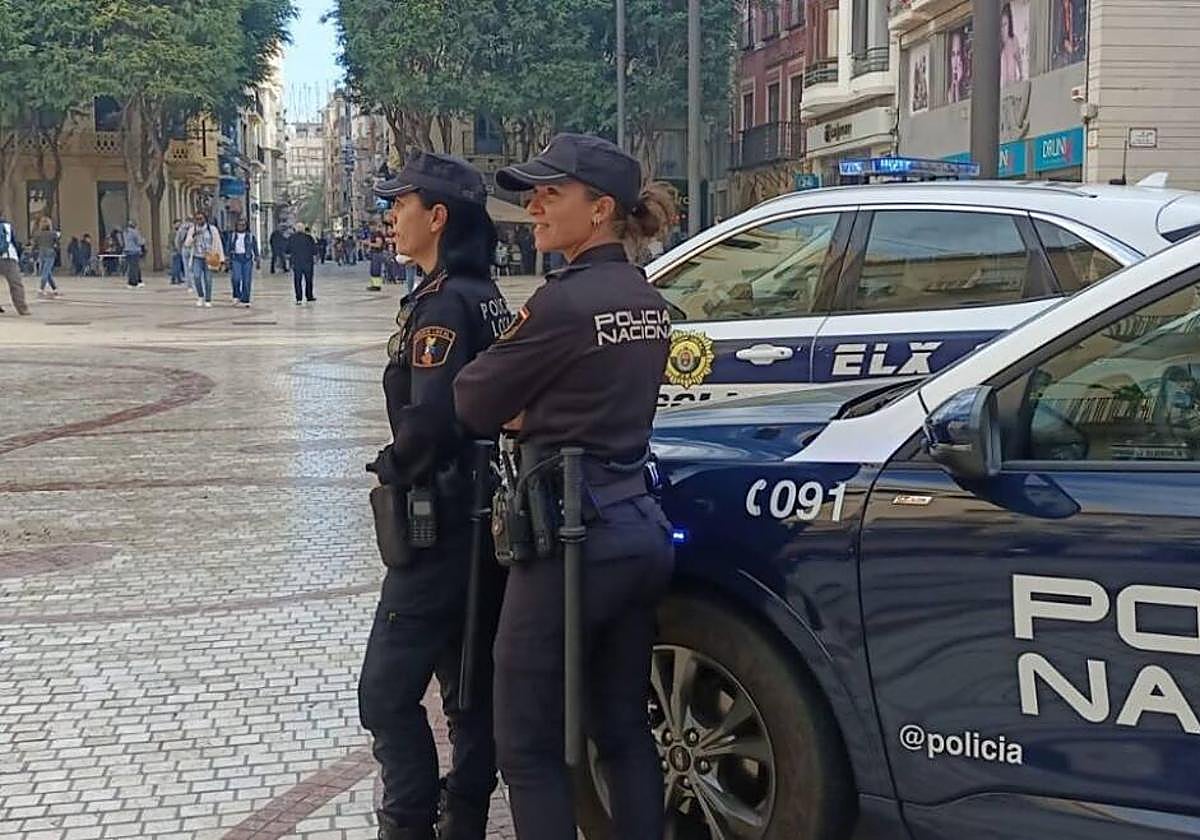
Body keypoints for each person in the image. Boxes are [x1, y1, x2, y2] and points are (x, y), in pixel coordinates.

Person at [452, 133, 677, 840]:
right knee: (621, 729)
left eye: (553, 192)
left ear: (601, 207)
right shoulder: (646, 299)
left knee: (526, 741)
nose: (535, 205)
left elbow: (471, 401)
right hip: (638, 527)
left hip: (571, 539)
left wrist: (532, 410)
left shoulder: (562, 305)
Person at [359, 152, 514, 840]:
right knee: (466, 691)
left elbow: (432, 420)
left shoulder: (445, 301)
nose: (392, 217)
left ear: (438, 216)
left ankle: (410, 822)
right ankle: (464, 820)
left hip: (439, 522)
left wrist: (393, 466)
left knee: (385, 695)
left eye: (402, 204)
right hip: (480, 520)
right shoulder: (480, 290)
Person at [183, 211, 224, 307]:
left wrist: (221, 259)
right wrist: (193, 236)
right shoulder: (192, 230)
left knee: (208, 279)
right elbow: (187, 244)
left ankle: (208, 299)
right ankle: (200, 296)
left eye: (201, 218)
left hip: (210, 257)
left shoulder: (212, 230)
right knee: (196, 277)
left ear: (205, 219)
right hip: (197, 257)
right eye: (197, 219)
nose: (199, 221)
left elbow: (218, 244)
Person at [0, 206, 31, 315]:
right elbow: (13, 242)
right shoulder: (6, 226)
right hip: (8, 257)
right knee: (15, 284)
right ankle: (22, 308)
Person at [227, 218, 260, 307]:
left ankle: (246, 299)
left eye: (243, 225)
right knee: (236, 278)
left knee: (247, 280)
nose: (241, 227)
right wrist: (227, 259)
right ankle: (237, 295)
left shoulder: (250, 236)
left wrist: (257, 258)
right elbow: (228, 248)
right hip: (236, 258)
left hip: (247, 258)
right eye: (239, 225)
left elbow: (255, 248)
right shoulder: (232, 236)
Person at [287, 223, 318, 305]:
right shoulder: (309, 238)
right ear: (303, 229)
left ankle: (299, 298)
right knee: (309, 280)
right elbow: (315, 250)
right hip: (308, 262)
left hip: (297, 263)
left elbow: (287, 250)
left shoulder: (291, 238)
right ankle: (309, 296)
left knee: (297, 281)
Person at [34, 217, 61, 298]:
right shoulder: (53, 233)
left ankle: (54, 288)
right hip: (50, 252)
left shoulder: (37, 234)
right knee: (46, 271)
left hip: (41, 252)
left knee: (46, 271)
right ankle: (42, 289)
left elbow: (35, 244)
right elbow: (57, 243)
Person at [1000, 2, 1025, 86]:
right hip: (1001, 86)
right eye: (1001, 25)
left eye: (1005, 24)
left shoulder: (1014, 40)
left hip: (1012, 83)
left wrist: (1021, 75)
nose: (1003, 28)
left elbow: (1019, 60)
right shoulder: (997, 44)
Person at [948, 28, 970, 103]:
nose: (956, 60)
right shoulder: (950, 89)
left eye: (958, 54)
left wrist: (958, 83)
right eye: (953, 55)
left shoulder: (969, 85)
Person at [123, 220, 146, 288]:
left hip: (128, 251)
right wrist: (143, 240)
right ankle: (134, 282)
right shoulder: (134, 232)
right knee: (135, 267)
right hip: (134, 251)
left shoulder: (125, 232)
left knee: (131, 267)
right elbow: (139, 242)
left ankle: (135, 281)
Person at [367, 225, 387, 291]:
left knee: (376, 270)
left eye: (371, 226)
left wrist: (369, 244)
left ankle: (377, 286)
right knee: (373, 270)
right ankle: (374, 285)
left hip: (377, 253)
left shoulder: (378, 234)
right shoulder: (375, 234)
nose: (370, 228)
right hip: (374, 253)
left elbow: (379, 245)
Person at [169, 220, 187, 285]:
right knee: (175, 266)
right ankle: (173, 279)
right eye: (177, 224)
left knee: (178, 266)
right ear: (173, 225)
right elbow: (172, 242)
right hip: (175, 251)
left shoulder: (179, 232)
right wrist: (175, 249)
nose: (179, 226)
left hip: (179, 250)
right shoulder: (173, 233)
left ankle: (178, 278)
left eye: (179, 224)